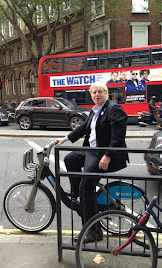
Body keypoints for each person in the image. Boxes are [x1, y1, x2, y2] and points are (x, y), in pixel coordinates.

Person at [56, 83, 128, 243]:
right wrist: (66, 138)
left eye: (100, 92)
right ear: (91, 95)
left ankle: (94, 233)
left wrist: (108, 156)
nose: (97, 94)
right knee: (70, 159)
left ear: (106, 93)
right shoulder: (94, 110)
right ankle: (77, 194)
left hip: (105, 155)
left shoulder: (114, 109)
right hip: (92, 151)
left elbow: (118, 136)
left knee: (86, 188)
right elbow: (83, 128)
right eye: (94, 92)